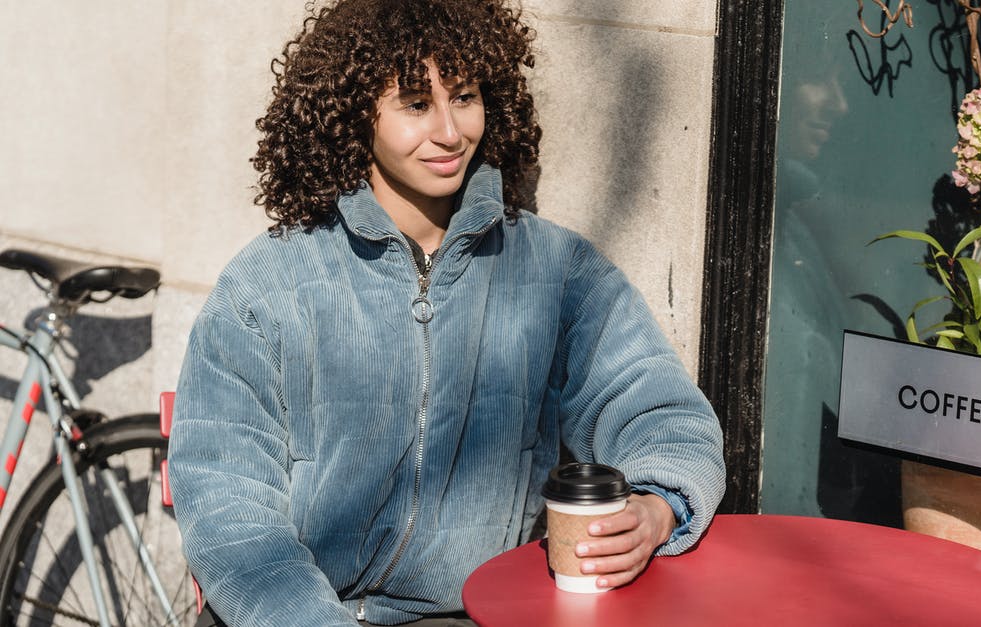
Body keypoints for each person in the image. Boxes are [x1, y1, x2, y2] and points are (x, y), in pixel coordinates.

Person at [167, 1, 726, 625]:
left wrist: (657, 506)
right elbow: (227, 507)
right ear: (356, 112)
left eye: (464, 97)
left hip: (474, 614)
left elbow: (660, 407)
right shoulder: (266, 284)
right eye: (415, 105)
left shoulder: (555, 271)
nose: (450, 132)